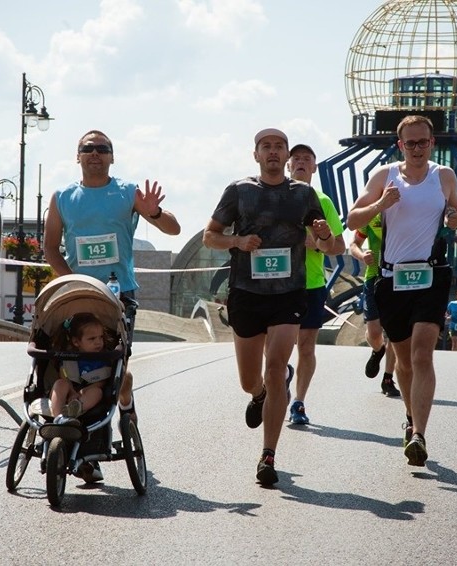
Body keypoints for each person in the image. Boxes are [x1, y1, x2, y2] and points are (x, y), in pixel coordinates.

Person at [43, 129, 181, 481]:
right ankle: (85, 455)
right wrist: (72, 281)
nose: (95, 154)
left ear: (111, 157)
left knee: (112, 369)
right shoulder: (62, 197)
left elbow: (174, 229)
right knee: (79, 366)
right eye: (88, 148)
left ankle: (123, 409)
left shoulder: (126, 192)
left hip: (120, 297)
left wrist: (154, 212)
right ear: (78, 156)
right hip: (78, 297)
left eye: (102, 149)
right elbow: (50, 249)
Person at [203, 127, 330, 485]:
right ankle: (258, 395)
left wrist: (321, 234)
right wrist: (238, 240)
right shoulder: (239, 191)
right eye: (266, 147)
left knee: (276, 369)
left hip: (289, 294)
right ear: (256, 154)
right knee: (250, 380)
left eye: (279, 147)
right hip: (246, 293)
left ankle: (268, 455)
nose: (273, 152)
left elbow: (331, 245)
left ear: (287, 156)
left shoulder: (303, 194)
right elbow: (209, 236)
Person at [346, 114, 457, 468]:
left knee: (423, 354)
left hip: (431, 275)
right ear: (400, 145)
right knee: (405, 362)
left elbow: (454, 211)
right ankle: (411, 418)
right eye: (409, 143)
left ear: (432, 143)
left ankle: (419, 435)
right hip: (392, 279)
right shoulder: (384, 175)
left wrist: (454, 218)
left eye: (422, 142)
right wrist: (381, 204)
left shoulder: (444, 176)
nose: (416, 149)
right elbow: (352, 220)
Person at [284, 143, 346, 425]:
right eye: (295, 158)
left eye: (306, 159)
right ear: (288, 164)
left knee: (306, 346)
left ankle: (298, 401)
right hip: (276, 285)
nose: (300, 162)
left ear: (314, 167)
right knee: (274, 346)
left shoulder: (323, 201)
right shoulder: (275, 196)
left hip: (310, 283)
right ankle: (281, 372)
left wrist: (317, 244)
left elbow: (339, 246)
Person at [349, 219, 400, 397]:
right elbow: (354, 244)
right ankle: (378, 350)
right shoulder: (371, 212)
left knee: (394, 331)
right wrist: (362, 255)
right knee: (374, 332)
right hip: (374, 277)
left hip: (398, 277)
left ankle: (388, 378)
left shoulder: (404, 208)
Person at [49, 313, 112, 429]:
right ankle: (58, 418)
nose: (98, 342)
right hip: (69, 391)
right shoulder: (68, 357)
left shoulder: (103, 358)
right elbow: (64, 376)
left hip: (88, 392)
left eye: (101, 337)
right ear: (76, 342)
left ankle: (74, 410)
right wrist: (73, 392)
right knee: (60, 383)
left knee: (97, 392)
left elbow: (103, 381)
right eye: (92, 339)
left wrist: (82, 392)